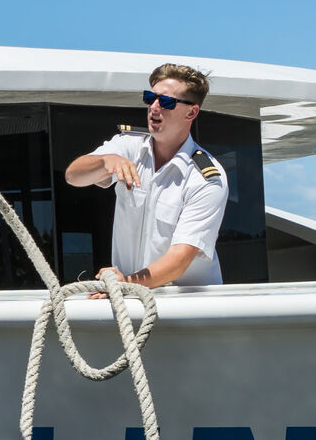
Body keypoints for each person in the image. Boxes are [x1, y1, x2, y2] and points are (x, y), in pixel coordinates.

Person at [63, 63, 229, 287]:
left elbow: (179, 260)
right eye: (150, 98)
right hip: (131, 297)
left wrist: (126, 283)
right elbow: (73, 176)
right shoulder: (128, 147)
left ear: (191, 112)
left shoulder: (206, 178)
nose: (154, 107)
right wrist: (105, 161)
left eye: (167, 102)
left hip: (187, 308)